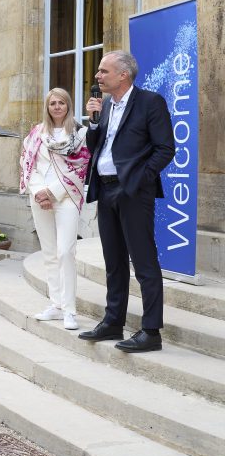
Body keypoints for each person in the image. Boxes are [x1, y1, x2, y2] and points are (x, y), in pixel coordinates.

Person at [80, 50, 174, 353]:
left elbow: (165, 149)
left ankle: (151, 331)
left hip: (133, 191)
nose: (98, 77)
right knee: (113, 261)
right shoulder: (105, 106)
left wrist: (138, 179)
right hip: (105, 190)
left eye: (103, 71)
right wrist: (93, 122)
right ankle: (113, 320)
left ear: (123, 74)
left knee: (144, 262)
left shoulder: (150, 102)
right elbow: (97, 147)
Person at [19, 88, 91, 330]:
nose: (57, 107)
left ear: (68, 105)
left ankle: (70, 310)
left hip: (66, 196)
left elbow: (81, 167)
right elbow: (27, 164)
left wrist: (52, 191)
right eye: (52, 103)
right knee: (49, 253)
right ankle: (56, 305)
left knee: (65, 252)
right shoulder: (36, 133)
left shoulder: (79, 133)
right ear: (47, 107)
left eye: (61, 103)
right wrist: (40, 192)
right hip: (39, 197)